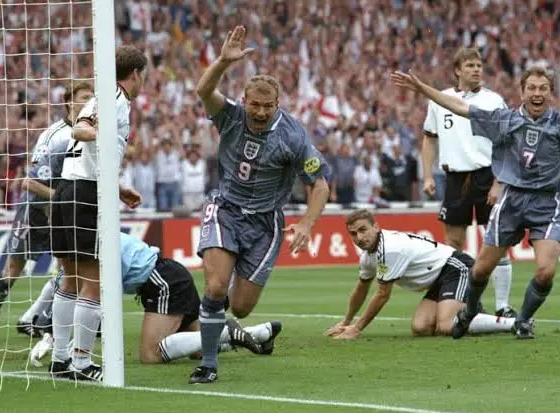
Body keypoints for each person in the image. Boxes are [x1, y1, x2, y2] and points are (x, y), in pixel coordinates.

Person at [391, 67, 560, 339]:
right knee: (481, 269)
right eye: (531, 88)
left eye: (543, 88)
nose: (537, 93)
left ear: (550, 93)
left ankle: (522, 320)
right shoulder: (504, 120)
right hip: (512, 200)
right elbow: (460, 107)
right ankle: (469, 311)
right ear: (522, 93)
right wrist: (423, 88)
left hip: (547, 202)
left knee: (545, 272)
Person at [191, 25, 330, 384]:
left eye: (268, 106)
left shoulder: (293, 135)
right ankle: (208, 364)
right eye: (255, 104)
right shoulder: (231, 115)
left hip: (266, 222)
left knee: (241, 306)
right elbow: (203, 90)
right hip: (225, 208)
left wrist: (307, 223)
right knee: (216, 286)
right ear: (245, 100)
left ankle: (228, 326)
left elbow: (319, 184)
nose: (261, 111)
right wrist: (223, 62)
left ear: (278, 105)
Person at [32, 233, 282, 378]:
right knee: (197, 350)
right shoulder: (91, 236)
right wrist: (53, 338)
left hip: (162, 282)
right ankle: (261, 333)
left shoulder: (88, 248)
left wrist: (54, 340)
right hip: (171, 276)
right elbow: (72, 292)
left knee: (150, 355)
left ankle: (226, 331)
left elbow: (84, 297)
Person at [49, 45, 146, 380]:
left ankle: (60, 359)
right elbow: (80, 129)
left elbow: (86, 149)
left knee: (72, 279)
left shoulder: (106, 96)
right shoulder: (114, 97)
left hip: (67, 188)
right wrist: (98, 133)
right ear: (136, 74)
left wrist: (117, 188)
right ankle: (81, 363)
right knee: (95, 281)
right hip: (85, 194)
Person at [0, 81, 94, 343]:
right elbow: (29, 183)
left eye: (92, 98)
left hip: (61, 215)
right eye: (85, 97)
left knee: (70, 270)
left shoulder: (90, 133)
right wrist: (62, 199)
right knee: (12, 271)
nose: (90, 102)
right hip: (34, 212)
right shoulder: (55, 136)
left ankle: (42, 322)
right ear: (69, 101)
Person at [421, 48, 515, 318]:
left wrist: (499, 182)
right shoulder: (441, 100)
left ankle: (503, 306)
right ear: (457, 70)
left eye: (479, 65)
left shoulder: (493, 100)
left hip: (487, 175)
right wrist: (428, 175)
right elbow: (429, 138)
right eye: (470, 65)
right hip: (455, 178)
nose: (476, 70)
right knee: (452, 243)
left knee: (496, 240)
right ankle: (461, 301)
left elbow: (507, 142)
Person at [324, 210, 515, 340]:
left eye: (363, 230)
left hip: (456, 267)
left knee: (446, 325)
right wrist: (346, 322)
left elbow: (382, 294)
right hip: (438, 279)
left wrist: (357, 328)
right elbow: (361, 288)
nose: (359, 238)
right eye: (353, 234)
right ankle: (472, 312)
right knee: (421, 328)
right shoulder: (368, 257)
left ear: (376, 227)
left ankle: (513, 323)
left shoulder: (390, 249)